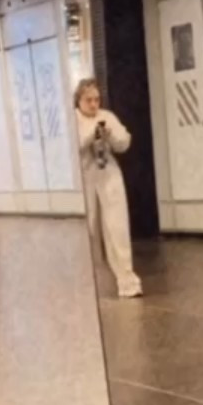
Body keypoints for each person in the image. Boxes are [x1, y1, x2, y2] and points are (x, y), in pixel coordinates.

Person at [73, 77, 142, 299]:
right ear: (79, 100)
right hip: (84, 175)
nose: (94, 104)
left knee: (117, 227)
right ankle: (92, 283)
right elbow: (72, 146)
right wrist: (89, 136)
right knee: (89, 230)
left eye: (96, 99)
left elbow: (124, 142)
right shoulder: (72, 119)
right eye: (88, 100)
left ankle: (127, 281)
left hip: (108, 174)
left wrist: (111, 134)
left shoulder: (107, 117)